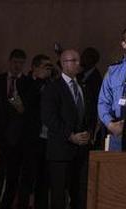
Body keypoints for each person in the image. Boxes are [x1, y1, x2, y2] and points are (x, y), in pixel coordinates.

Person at [42, 49, 93, 209]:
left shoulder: (83, 86)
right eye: (74, 61)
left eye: (79, 60)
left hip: (82, 150)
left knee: (80, 195)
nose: (79, 64)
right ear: (64, 63)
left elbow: (90, 113)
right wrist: (70, 136)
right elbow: (49, 118)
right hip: (60, 151)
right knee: (59, 197)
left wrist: (88, 132)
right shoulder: (53, 88)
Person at [0, 48, 27, 208]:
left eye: (21, 63)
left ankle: (6, 205)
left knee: (13, 177)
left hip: (17, 139)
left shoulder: (27, 83)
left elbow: (30, 112)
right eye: (15, 62)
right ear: (9, 62)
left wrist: (22, 109)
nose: (17, 66)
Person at [17, 54, 53, 209]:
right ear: (35, 67)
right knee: (28, 176)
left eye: (49, 67)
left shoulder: (51, 84)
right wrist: (38, 80)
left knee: (44, 178)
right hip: (31, 138)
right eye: (45, 66)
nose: (48, 70)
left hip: (47, 137)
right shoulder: (24, 82)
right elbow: (27, 102)